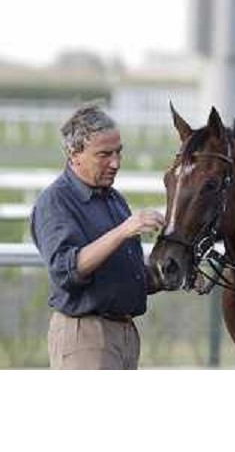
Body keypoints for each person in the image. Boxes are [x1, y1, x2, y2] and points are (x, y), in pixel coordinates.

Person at [30, 104, 165, 370]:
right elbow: (65, 270)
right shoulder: (54, 201)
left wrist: (169, 275)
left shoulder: (114, 200)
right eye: (104, 154)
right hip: (85, 335)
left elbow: (125, 275)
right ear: (74, 154)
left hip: (125, 334)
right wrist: (125, 229)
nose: (115, 163)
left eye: (118, 152)